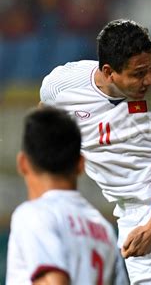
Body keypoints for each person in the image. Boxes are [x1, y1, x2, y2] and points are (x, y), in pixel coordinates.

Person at [39, 19, 151, 284]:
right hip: (129, 214)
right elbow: (46, 116)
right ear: (109, 71)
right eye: (138, 74)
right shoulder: (62, 85)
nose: (148, 79)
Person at [6, 107, 128, 284]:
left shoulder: (33, 215)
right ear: (80, 164)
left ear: (23, 163)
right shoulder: (103, 229)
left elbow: (54, 281)